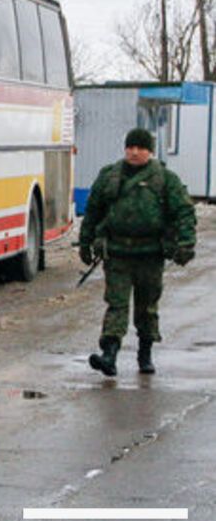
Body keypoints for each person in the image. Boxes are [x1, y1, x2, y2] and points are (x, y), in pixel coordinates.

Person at [78, 127, 195, 377]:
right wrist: (85, 242)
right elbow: (93, 210)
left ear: (150, 151)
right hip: (117, 253)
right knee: (116, 304)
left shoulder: (165, 179)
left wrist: (186, 243)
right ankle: (109, 354)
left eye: (140, 148)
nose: (134, 152)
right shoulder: (109, 176)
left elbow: (184, 212)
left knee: (147, 307)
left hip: (150, 254)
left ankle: (145, 353)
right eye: (130, 147)